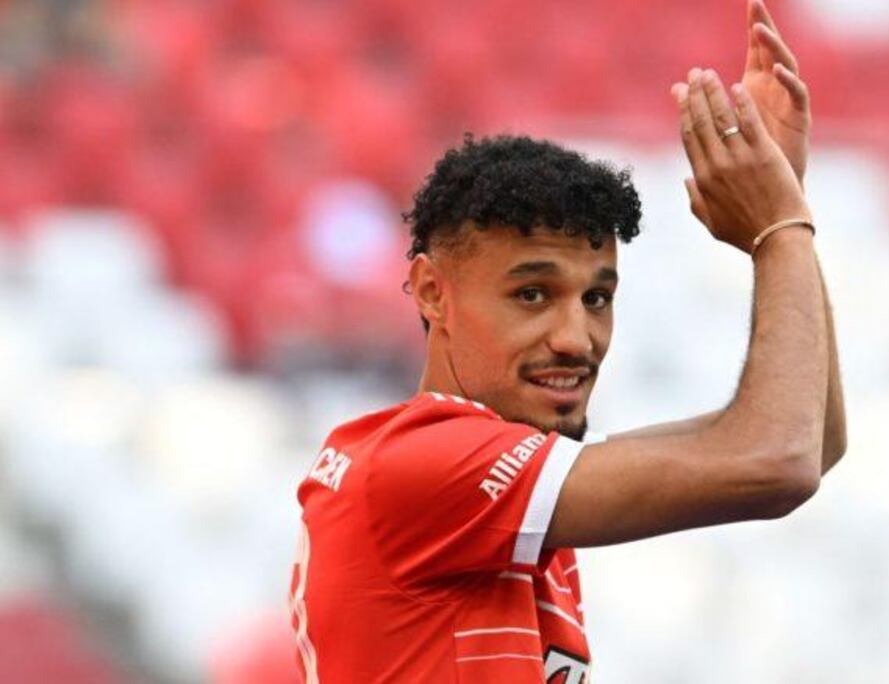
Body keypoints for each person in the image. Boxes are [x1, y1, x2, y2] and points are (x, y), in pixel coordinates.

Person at [289, 1, 847, 681]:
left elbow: (810, 443)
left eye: (597, 299)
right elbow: (779, 462)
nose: (575, 338)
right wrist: (779, 226)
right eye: (532, 295)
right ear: (433, 292)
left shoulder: (499, 484)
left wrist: (789, 209)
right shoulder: (424, 465)